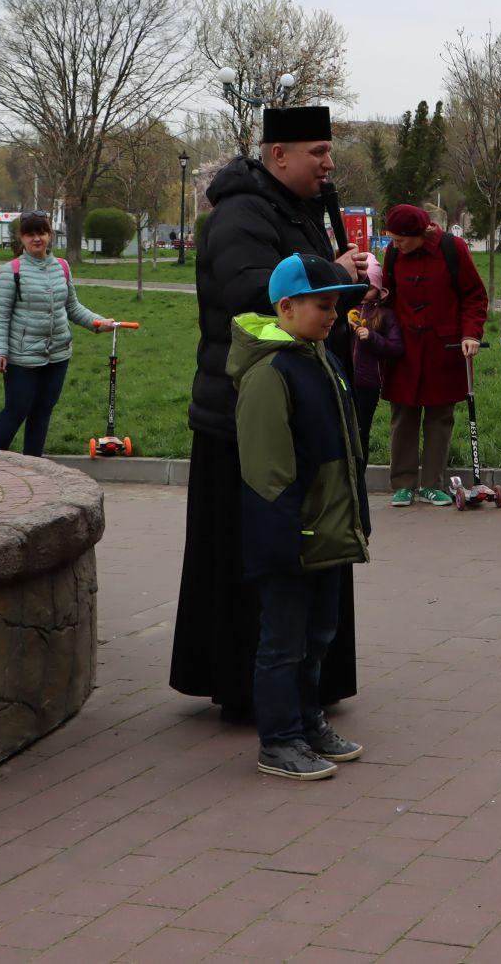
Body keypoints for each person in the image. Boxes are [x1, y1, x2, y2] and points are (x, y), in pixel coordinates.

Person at [172, 102, 370, 725]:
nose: (328, 163)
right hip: (246, 422)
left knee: (309, 554)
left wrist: (348, 284)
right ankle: (249, 685)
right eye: (318, 152)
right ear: (277, 155)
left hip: (303, 412)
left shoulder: (301, 209)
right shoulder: (240, 214)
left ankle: (311, 685)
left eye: (329, 152)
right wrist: (329, 277)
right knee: (256, 561)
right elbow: (244, 295)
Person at [231, 252, 371, 781]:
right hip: (292, 537)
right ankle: (279, 738)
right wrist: (283, 538)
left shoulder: (322, 359)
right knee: (284, 642)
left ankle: (308, 722)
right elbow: (267, 471)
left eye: (337, 306)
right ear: (286, 306)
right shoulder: (271, 372)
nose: (333, 315)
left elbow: (347, 448)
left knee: (318, 636)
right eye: (322, 305)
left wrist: (353, 516)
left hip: (328, 531)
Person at [0, 210, 118, 457]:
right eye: (31, 234)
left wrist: (98, 322)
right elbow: (0, 315)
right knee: (17, 410)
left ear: (50, 235)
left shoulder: (62, 266)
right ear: (22, 238)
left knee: (43, 410)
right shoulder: (12, 271)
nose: (37, 239)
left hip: (57, 355)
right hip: (22, 357)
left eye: (42, 233)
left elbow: (72, 307)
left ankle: (35, 466)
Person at [382, 204, 488, 507]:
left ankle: (432, 484)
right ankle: (402, 483)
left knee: (440, 417)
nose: (395, 245)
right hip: (403, 348)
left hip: (443, 348)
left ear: (417, 235)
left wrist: (471, 333)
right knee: (402, 415)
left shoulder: (451, 249)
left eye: (400, 240)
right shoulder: (393, 254)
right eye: (393, 239)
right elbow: (387, 294)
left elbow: (474, 295)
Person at [347, 255, 402, 448]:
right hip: (344, 380)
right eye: (358, 287)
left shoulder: (384, 314)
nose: (362, 293)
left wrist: (371, 338)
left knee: (361, 431)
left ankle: (360, 473)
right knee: (343, 431)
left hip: (368, 383)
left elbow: (395, 347)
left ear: (378, 288)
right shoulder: (344, 308)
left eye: (368, 289)